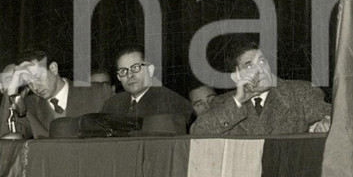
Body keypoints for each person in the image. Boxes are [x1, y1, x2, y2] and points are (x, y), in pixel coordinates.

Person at [191, 39, 332, 136]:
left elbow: (330, 121)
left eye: (262, 61)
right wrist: (238, 100)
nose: (260, 70)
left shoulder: (302, 91)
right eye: (249, 65)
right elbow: (198, 132)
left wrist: (321, 126)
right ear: (236, 76)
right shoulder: (224, 103)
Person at [0, 49, 109, 139]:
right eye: (29, 82)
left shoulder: (99, 93)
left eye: (38, 77)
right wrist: (12, 90)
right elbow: (6, 137)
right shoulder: (29, 106)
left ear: (53, 68)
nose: (35, 87)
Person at [100, 45, 192, 120]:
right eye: (123, 71)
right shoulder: (111, 106)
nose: (129, 75)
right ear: (119, 77)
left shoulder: (172, 103)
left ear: (150, 70)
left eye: (135, 68)